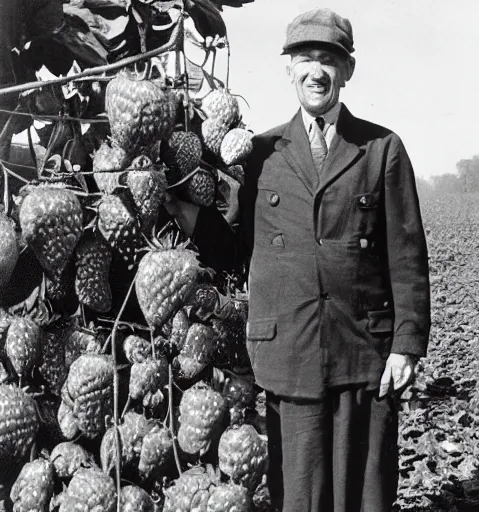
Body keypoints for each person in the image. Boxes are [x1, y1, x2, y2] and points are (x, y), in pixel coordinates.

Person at [164, 8, 431, 512]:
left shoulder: (381, 149)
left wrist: (406, 346)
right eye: (305, 58)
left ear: (348, 70)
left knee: (366, 493)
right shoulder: (260, 153)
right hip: (290, 351)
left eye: (329, 59)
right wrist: (182, 208)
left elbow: (408, 255)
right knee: (300, 497)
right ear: (287, 68)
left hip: (364, 352)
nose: (316, 71)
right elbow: (236, 250)